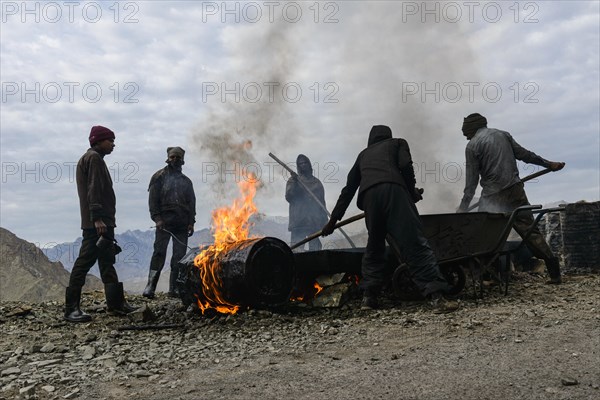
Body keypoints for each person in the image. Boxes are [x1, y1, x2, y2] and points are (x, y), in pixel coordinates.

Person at [321, 125, 458, 312]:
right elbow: (405, 166)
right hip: (395, 192)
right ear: (388, 135)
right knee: (413, 243)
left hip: (369, 199)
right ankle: (437, 298)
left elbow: (349, 190)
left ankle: (369, 298)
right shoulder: (398, 143)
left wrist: (332, 221)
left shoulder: (363, 155)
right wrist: (411, 192)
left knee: (374, 247)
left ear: (371, 139)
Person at [457, 113, 565, 284]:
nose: (464, 135)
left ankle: (491, 276)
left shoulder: (472, 146)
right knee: (530, 232)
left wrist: (463, 208)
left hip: (493, 197)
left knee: (485, 236)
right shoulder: (503, 134)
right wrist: (548, 163)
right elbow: (524, 155)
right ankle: (555, 273)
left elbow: (471, 182)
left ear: (471, 128)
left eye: (465, 132)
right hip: (515, 191)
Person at [64, 125, 137, 323]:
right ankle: (71, 309)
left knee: (107, 260)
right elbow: (93, 189)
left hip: (102, 222)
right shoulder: (94, 159)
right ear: (98, 141)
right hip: (97, 224)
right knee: (84, 262)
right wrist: (97, 218)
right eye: (110, 140)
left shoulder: (92, 159)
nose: (113, 144)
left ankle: (116, 304)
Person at [143, 147, 196, 299]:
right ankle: (150, 287)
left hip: (181, 224)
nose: (175, 160)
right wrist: (157, 219)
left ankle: (175, 289)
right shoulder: (158, 177)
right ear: (168, 158)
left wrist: (191, 222)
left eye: (178, 157)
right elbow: (153, 202)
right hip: (164, 224)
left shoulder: (186, 182)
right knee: (159, 253)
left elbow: (192, 204)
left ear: (182, 160)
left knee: (179, 257)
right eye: (172, 157)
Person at [285, 154, 328, 251]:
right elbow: (289, 197)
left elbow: (322, 203)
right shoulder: (293, 181)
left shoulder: (316, 183)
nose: (303, 165)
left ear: (309, 164)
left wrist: (325, 221)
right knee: (296, 250)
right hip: (298, 222)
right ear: (298, 166)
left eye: (305, 163)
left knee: (316, 251)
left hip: (314, 223)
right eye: (300, 164)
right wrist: (296, 183)